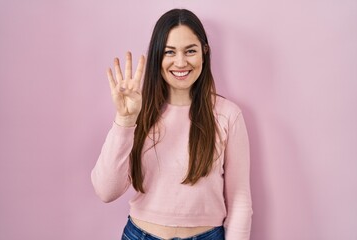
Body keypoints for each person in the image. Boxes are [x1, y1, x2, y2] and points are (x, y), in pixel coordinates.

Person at [91, 8, 252, 240]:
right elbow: (106, 191)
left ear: (204, 53)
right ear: (157, 56)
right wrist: (125, 120)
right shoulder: (138, 111)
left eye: (190, 51)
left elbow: (240, 200)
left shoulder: (228, 114)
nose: (180, 62)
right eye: (169, 52)